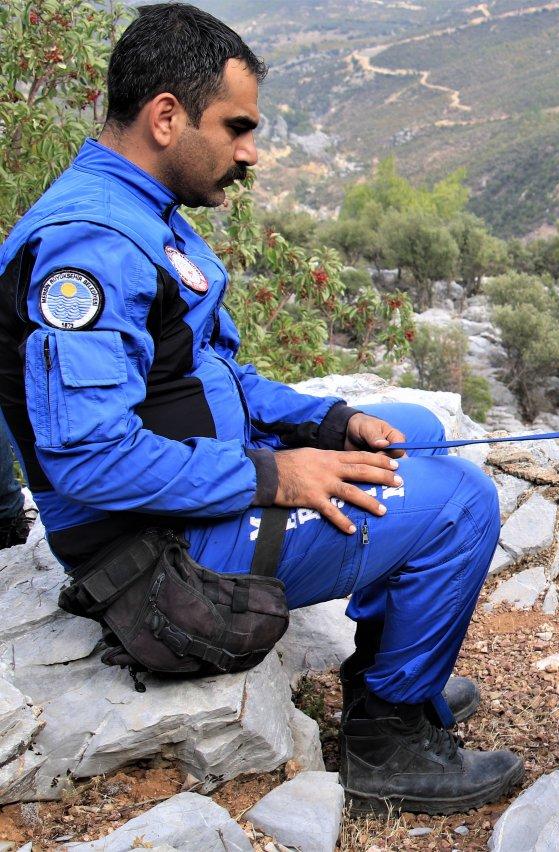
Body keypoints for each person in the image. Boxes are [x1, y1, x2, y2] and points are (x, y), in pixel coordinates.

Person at [0, 3, 522, 814]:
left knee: (416, 435)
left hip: (189, 495)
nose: (250, 152)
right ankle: (387, 743)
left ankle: (394, 674)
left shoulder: (140, 212)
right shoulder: (91, 247)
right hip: (158, 549)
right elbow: (90, 457)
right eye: (236, 127)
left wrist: (329, 423)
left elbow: (211, 374)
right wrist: (274, 475)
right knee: (462, 503)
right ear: (166, 118)